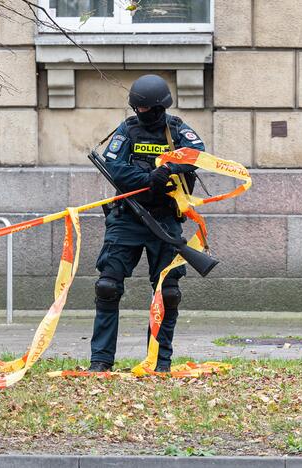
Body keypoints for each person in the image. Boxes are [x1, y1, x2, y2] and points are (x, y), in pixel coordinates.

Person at [89, 74, 205, 374]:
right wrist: (148, 180)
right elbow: (115, 167)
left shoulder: (177, 129)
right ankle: (100, 361)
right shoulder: (126, 130)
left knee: (168, 292)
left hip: (165, 220)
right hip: (128, 217)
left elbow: (197, 154)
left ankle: (159, 361)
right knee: (107, 287)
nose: (140, 114)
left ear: (159, 108)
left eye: (145, 109)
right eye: (136, 109)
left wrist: (166, 169)